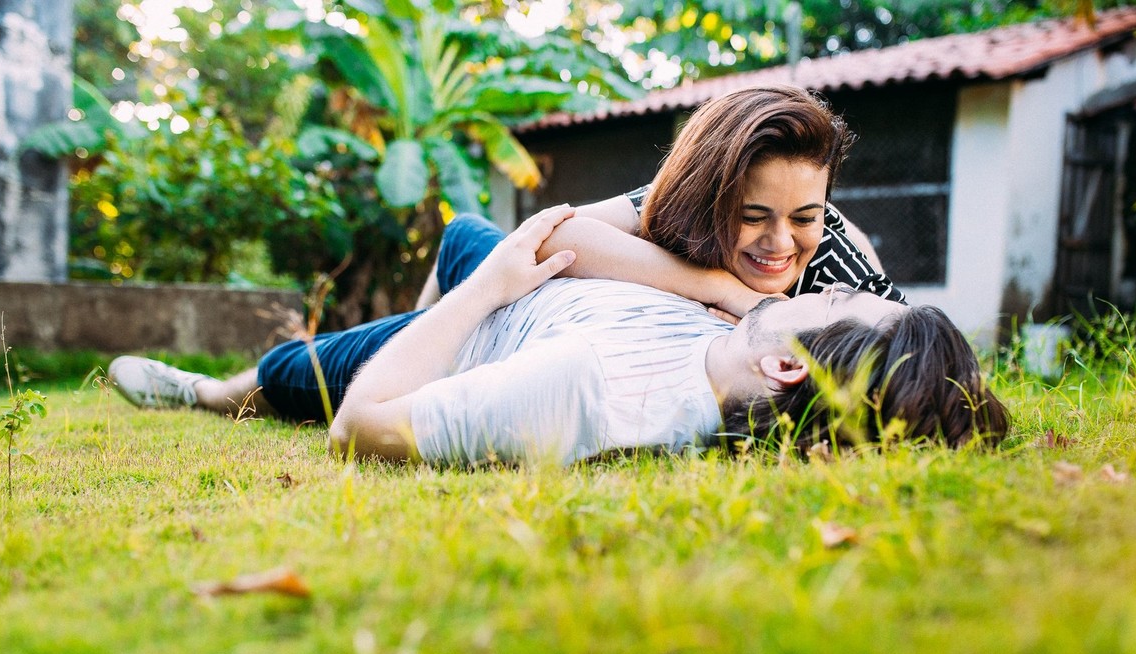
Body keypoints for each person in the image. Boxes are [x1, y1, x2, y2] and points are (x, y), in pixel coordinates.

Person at [109, 207, 1007, 466]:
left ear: (782, 364)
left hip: (488, 320)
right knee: (464, 231)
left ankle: (201, 390)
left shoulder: (582, 389)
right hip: (517, 288)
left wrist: (479, 301)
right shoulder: (743, 334)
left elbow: (362, 428)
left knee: (281, 376)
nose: (834, 282)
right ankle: (428, 318)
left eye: (837, 302)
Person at [414, 85, 905, 322]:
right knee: (460, 248)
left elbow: (926, 355)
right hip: (508, 292)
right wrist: (716, 287)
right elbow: (548, 236)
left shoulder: (839, 271)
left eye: (806, 216)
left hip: (530, 325)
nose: (780, 242)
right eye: (752, 217)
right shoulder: (677, 207)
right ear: (710, 198)